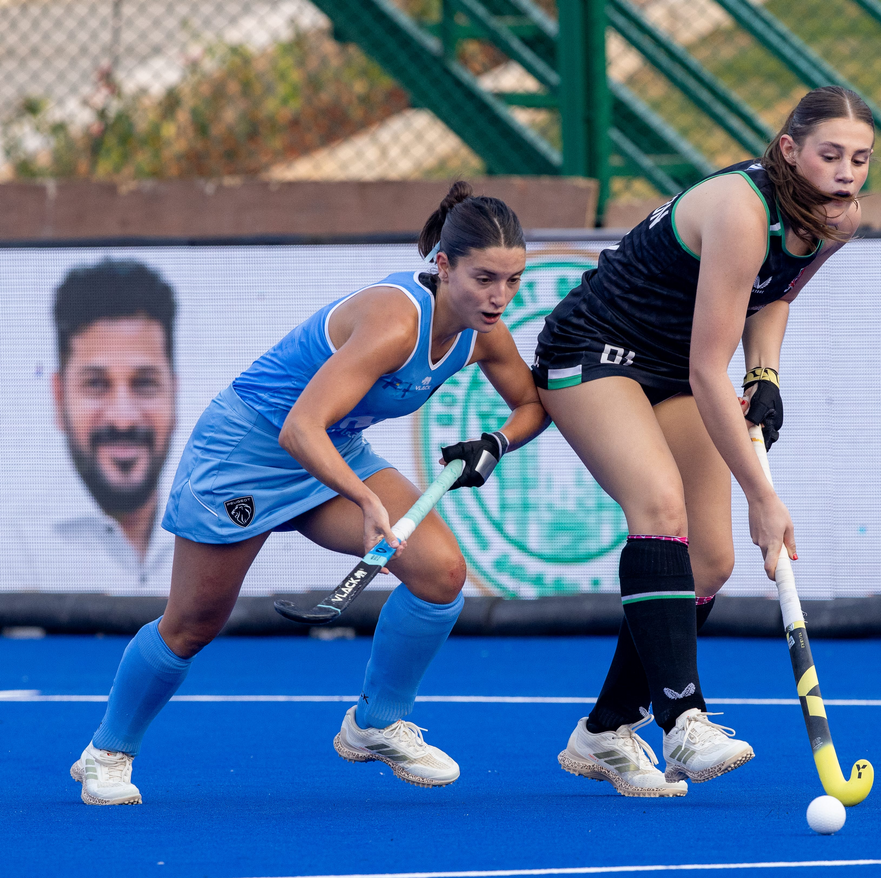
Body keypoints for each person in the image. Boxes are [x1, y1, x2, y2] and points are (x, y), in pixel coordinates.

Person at [70, 182, 548, 805]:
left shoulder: (483, 333)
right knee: (194, 622)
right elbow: (299, 428)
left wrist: (495, 443)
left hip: (333, 449)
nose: (499, 297)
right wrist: (369, 502)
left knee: (441, 573)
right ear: (443, 265)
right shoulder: (395, 322)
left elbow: (532, 404)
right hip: (247, 453)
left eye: (512, 281)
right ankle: (107, 753)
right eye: (485, 279)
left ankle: (376, 724)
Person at [533, 86, 874, 797]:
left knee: (711, 563)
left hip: (672, 364)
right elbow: (704, 368)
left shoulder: (838, 220)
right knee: (660, 510)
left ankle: (603, 731)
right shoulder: (742, 211)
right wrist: (763, 498)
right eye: (831, 155)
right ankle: (683, 720)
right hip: (595, 350)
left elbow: (774, 294)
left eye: (860, 159)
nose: (846, 173)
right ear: (790, 150)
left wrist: (765, 372)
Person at [14, 260, 178, 592]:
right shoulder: (13, 548)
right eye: (96, 385)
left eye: (145, 383)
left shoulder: (237, 535)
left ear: (174, 393)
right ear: (59, 398)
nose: (123, 418)